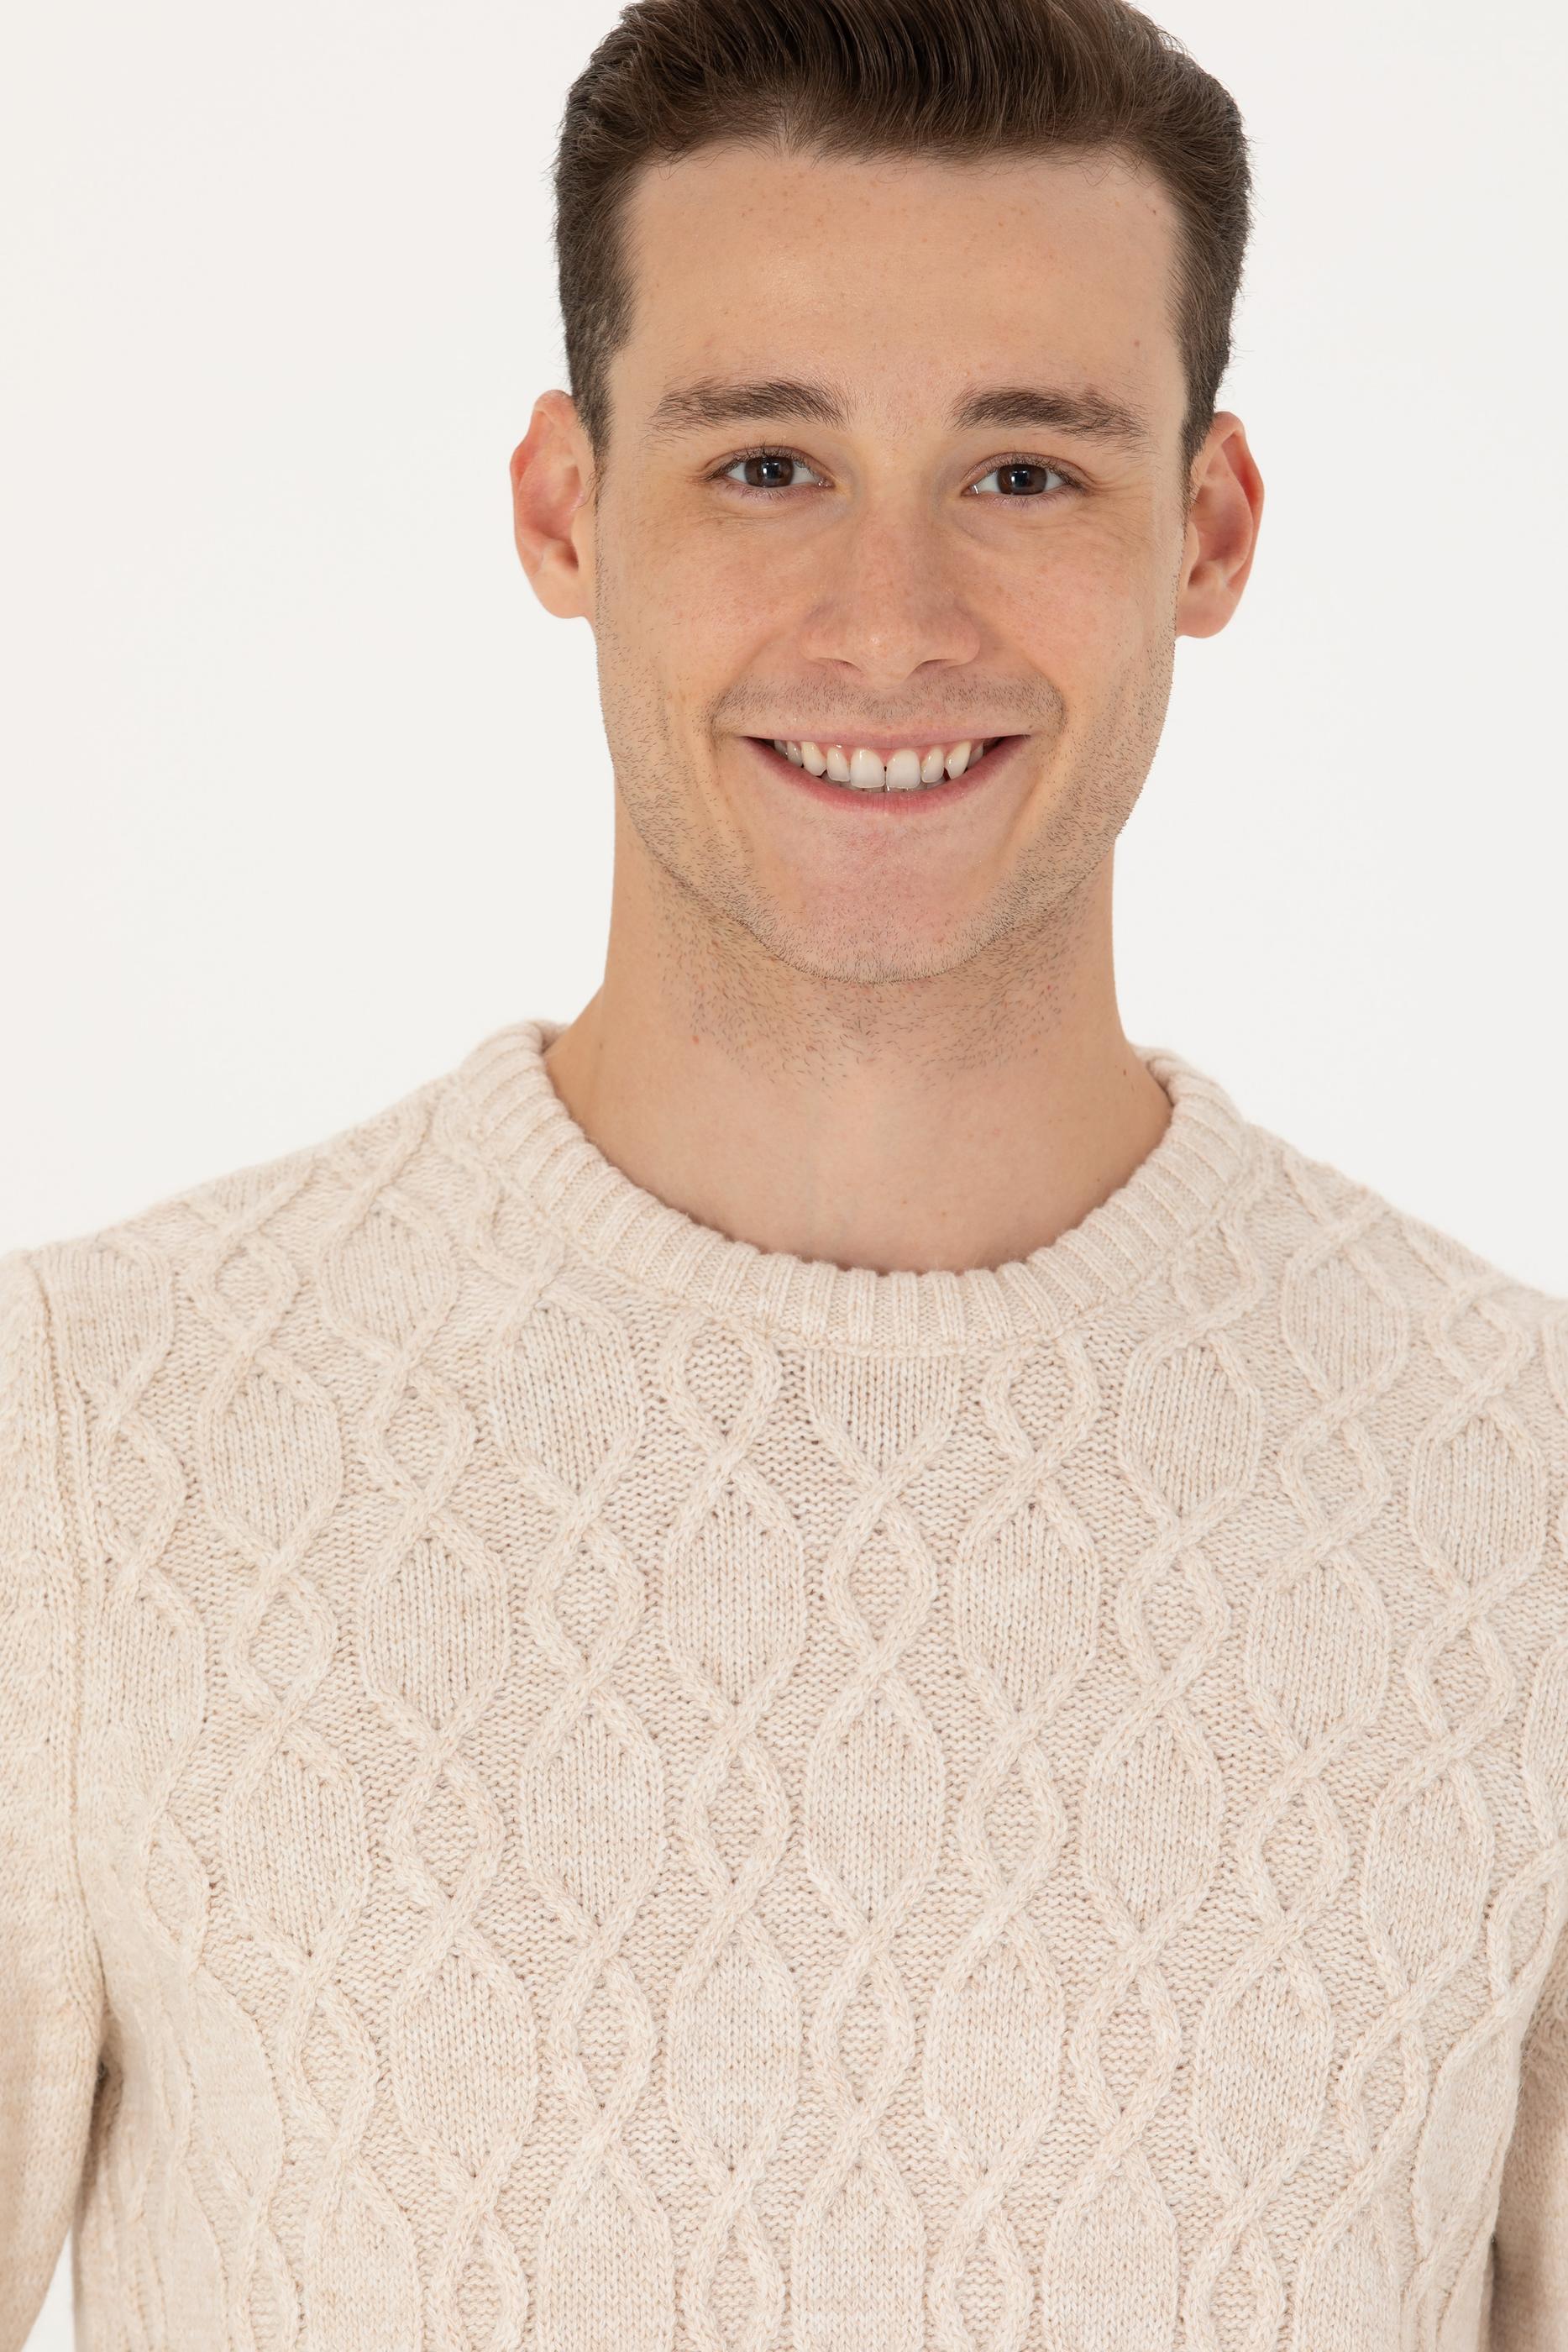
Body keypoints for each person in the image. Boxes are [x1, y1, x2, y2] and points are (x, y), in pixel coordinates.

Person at [3, 0, 1565, 2344]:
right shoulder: (86, 1442)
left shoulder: (1517, 1492)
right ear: (564, 508)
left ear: (1209, 528)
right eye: (765, 464)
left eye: (1024, 472)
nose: (890, 623)